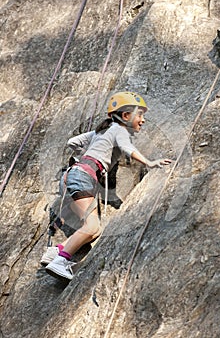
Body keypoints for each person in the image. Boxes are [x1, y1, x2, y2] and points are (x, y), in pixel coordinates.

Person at [43, 91, 172, 281]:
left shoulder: (101, 131)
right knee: (93, 227)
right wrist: (150, 162)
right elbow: (129, 149)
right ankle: (61, 261)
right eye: (140, 115)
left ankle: (56, 252)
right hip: (82, 178)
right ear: (126, 116)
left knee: (91, 229)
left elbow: (72, 142)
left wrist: (87, 156)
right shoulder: (120, 130)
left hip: (72, 176)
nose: (142, 120)